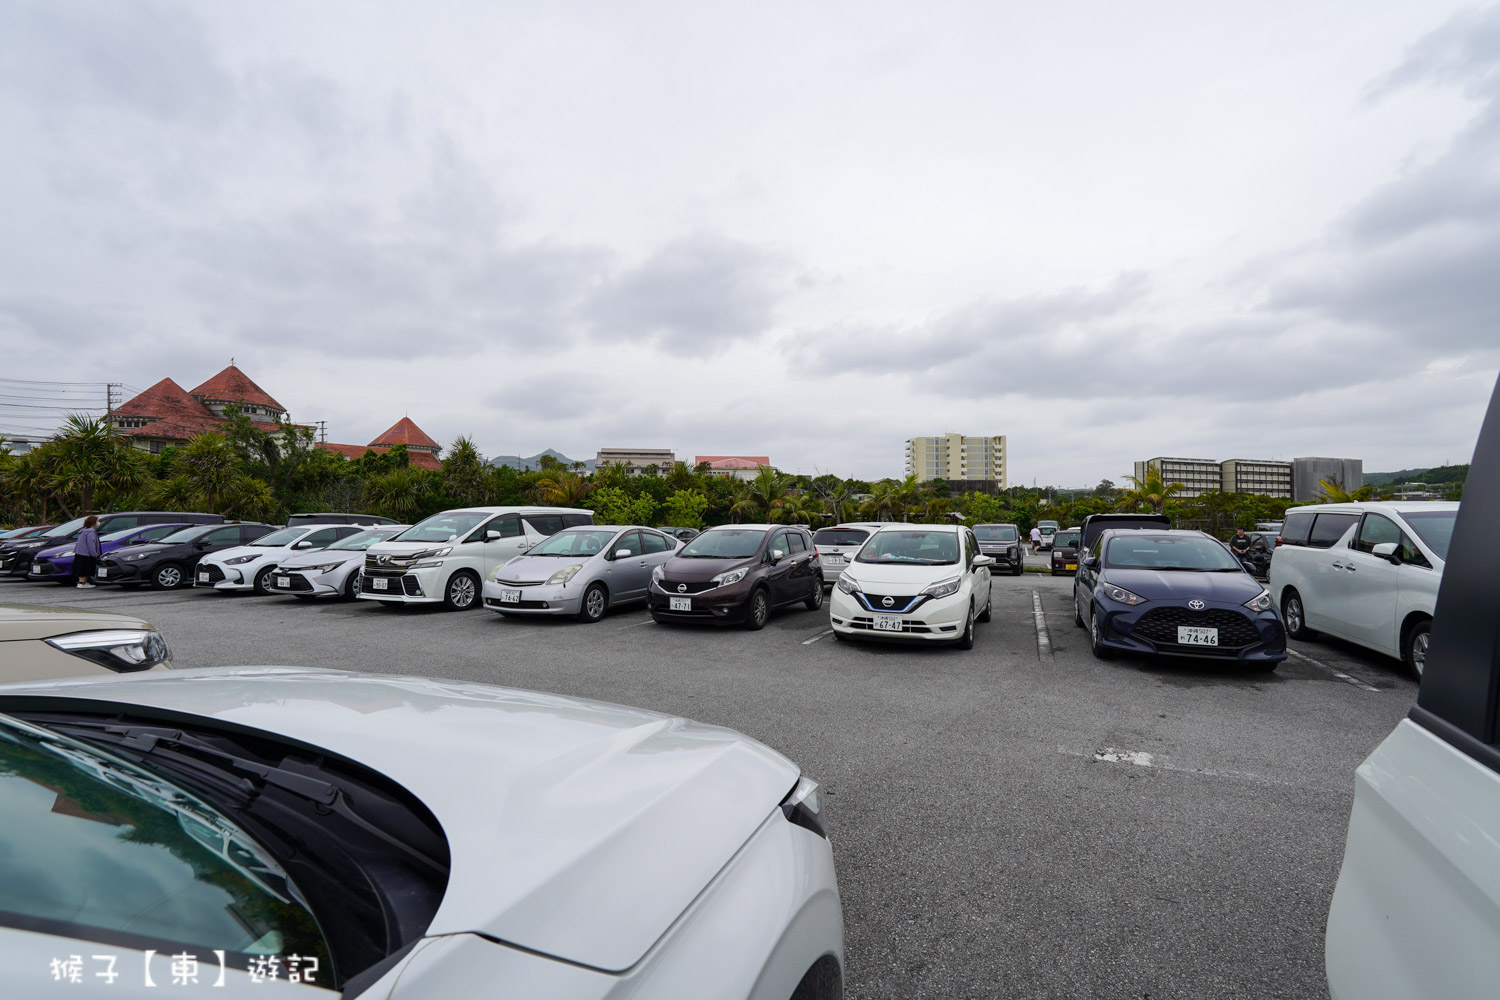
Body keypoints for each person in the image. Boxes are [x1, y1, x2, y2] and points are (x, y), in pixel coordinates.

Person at [74, 515, 101, 589]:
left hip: (80, 553)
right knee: (85, 569)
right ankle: (83, 583)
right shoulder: (91, 532)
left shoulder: (83, 531)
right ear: (94, 522)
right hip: (87, 554)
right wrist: (94, 554)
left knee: (81, 568)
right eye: (97, 521)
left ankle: (81, 582)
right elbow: (91, 543)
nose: (98, 522)